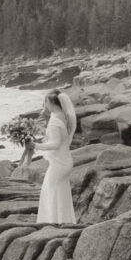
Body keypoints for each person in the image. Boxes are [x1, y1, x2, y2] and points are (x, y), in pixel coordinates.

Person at [23, 88, 77, 224]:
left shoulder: (55, 121)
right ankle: (63, 221)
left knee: (49, 192)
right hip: (65, 161)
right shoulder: (65, 116)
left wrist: (35, 145)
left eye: (46, 101)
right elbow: (58, 139)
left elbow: (55, 144)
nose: (44, 104)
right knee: (61, 193)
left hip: (58, 164)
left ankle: (52, 223)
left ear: (52, 103)